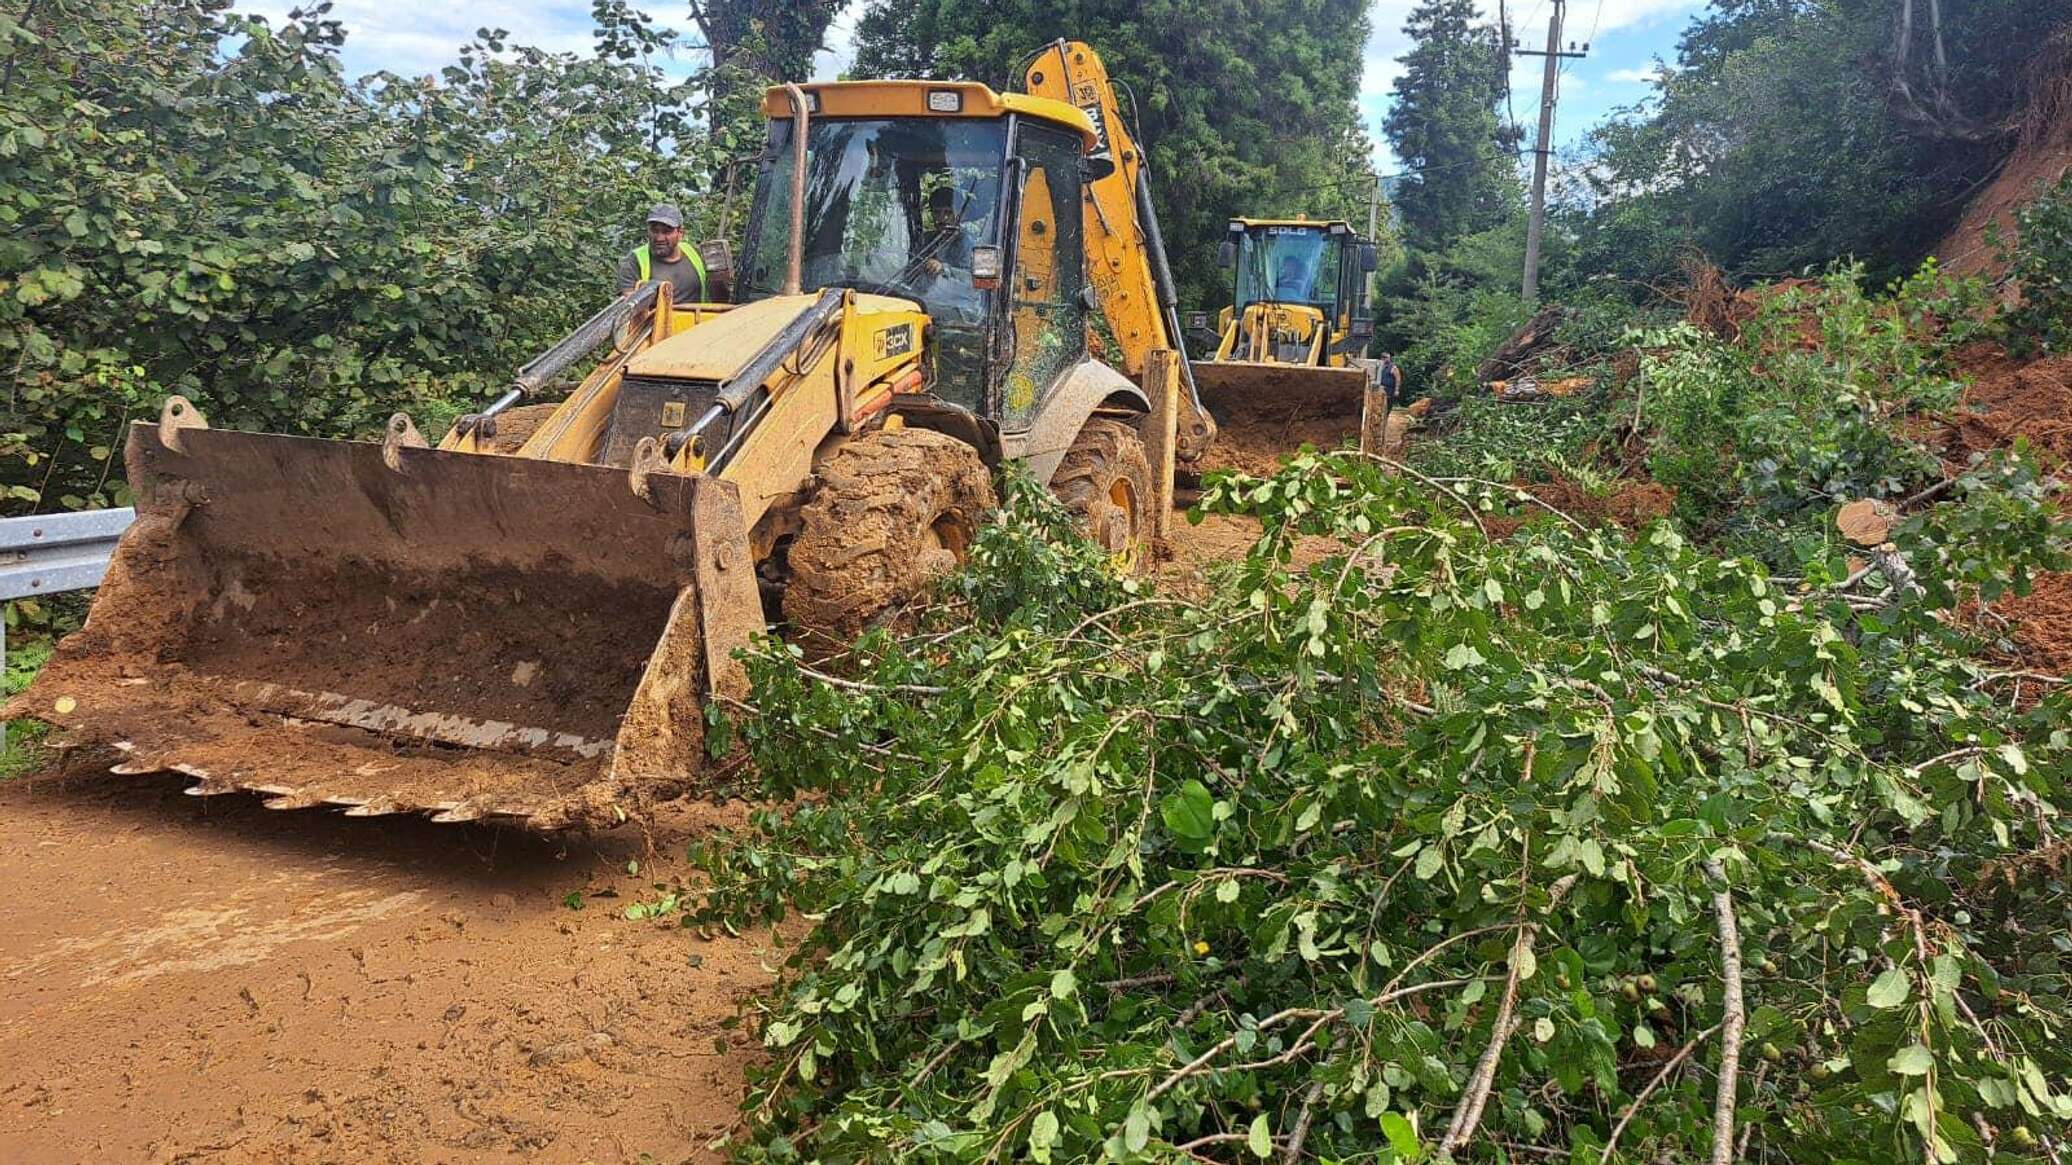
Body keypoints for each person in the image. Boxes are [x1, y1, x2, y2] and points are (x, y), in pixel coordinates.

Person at [615, 203, 724, 302]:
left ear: (680, 233)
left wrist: (721, 278)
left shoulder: (695, 254)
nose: (659, 238)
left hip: (699, 321)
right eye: (654, 230)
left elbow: (719, 297)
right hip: (656, 323)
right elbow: (628, 306)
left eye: (666, 231)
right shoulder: (635, 260)